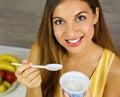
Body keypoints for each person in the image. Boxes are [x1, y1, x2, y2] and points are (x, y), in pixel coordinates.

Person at [15, 0, 120, 97]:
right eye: (59, 21)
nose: (71, 33)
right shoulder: (40, 51)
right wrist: (33, 86)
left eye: (80, 18)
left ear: (95, 15)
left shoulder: (114, 69)